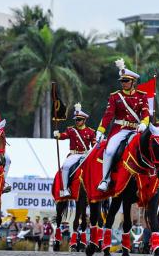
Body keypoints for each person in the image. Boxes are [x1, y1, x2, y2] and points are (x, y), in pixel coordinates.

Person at [95, 58, 150, 192]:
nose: (124, 84)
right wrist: (100, 130)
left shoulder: (141, 96)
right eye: (122, 81)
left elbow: (146, 113)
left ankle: (156, 178)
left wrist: (144, 123)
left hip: (138, 130)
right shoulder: (115, 96)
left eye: (126, 81)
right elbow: (108, 115)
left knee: (155, 148)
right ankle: (105, 179)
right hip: (121, 130)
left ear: (133, 82)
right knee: (109, 151)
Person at [54, 103, 96, 197]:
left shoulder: (91, 132)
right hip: (74, 155)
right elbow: (64, 136)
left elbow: (94, 145)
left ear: (84, 120)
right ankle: (65, 189)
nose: (77, 121)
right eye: (76, 120)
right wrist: (58, 135)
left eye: (79, 120)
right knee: (65, 166)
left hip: (85, 155)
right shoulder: (71, 130)